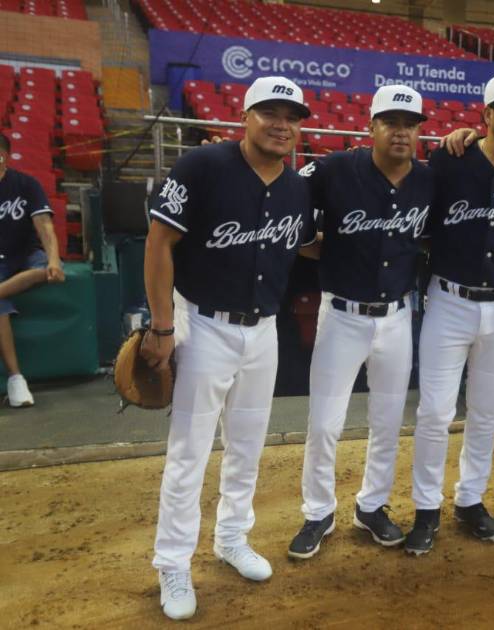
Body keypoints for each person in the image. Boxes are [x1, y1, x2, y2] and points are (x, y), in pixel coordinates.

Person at [144, 76, 316, 620]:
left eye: (291, 116)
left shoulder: (297, 188)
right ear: (245, 116)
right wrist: (163, 326)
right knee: (189, 451)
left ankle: (232, 537)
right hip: (203, 325)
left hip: (263, 331)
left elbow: (307, 246)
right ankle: (173, 562)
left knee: (247, 445)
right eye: (270, 112)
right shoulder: (202, 166)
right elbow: (159, 242)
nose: (282, 125)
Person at [404, 70, 494, 555]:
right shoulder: (449, 160)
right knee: (434, 411)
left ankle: (470, 500)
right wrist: (458, 137)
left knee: (486, 411)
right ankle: (426, 507)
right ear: (488, 114)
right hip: (449, 300)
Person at [287, 85, 432, 559]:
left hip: (397, 317)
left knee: (387, 422)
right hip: (343, 315)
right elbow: (285, 194)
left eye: (410, 124)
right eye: (391, 122)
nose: (401, 131)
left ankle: (371, 506)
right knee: (325, 423)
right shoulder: (334, 169)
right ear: (371, 127)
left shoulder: (428, 180)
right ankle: (318, 512)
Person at [0, 131, 65, 408]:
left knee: (48, 270)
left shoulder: (26, 185)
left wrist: (54, 259)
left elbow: (45, 226)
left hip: (26, 255)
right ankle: (16, 378)